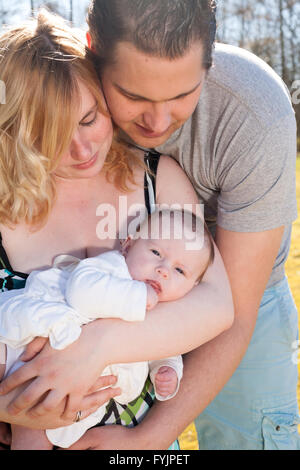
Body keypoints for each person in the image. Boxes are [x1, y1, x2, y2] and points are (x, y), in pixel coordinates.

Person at [68, 0, 299, 450]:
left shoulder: (255, 111)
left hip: (244, 295)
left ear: (210, 58)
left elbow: (236, 309)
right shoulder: (64, 93)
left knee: (251, 439)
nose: (156, 122)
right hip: (111, 284)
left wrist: (151, 436)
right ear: (93, 49)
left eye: (181, 95)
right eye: (133, 96)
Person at [0, 9, 233, 450]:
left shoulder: (156, 180)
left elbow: (218, 305)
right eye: (50, 134)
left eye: (89, 119)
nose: (82, 148)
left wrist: (98, 347)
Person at [0, 208, 214, 449]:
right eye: (155, 252)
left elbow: (165, 345)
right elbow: (81, 292)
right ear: (129, 246)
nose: (163, 269)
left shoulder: (167, 310)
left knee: (35, 429)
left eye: (179, 270)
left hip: (66, 390)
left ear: (192, 287)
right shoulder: (113, 268)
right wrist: (137, 296)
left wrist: (167, 370)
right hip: (27, 343)